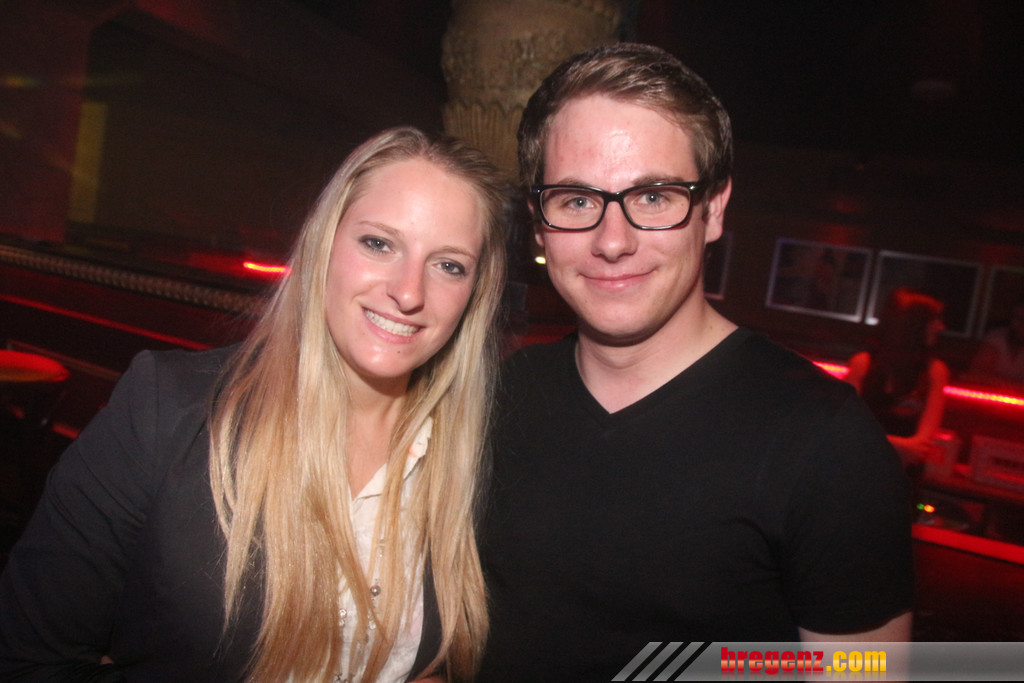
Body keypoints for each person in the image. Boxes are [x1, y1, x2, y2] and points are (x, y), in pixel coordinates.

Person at [0, 127, 509, 682]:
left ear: (475, 294)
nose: (409, 292)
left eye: (449, 266)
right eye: (379, 244)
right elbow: (28, 663)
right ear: (323, 244)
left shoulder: (470, 457)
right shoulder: (168, 412)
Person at [477, 43, 914, 681]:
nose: (612, 241)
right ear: (539, 224)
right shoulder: (492, 399)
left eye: (654, 197)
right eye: (576, 200)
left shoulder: (823, 440)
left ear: (713, 210)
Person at [845, 287, 949, 475]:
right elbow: (847, 426)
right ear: (913, 324)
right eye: (934, 320)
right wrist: (901, 446)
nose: (940, 327)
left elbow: (923, 444)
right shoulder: (864, 364)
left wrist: (879, 442)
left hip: (903, 473)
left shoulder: (934, 371)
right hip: (858, 468)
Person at [968, 297, 1024, 390]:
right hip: (989, 393)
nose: (1018, 325)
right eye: (1016, 318)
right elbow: (977, 372)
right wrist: (1011, 385)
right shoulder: (996, 338)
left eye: (1023, 320)